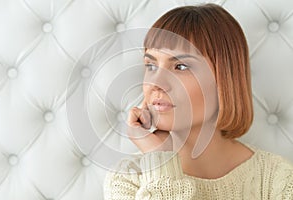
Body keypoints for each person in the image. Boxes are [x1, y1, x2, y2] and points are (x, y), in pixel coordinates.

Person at [103, 4, 293, 199]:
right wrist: (159, 159)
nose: (155, 82)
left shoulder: (277, 180)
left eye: (181, 66)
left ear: (224, 79)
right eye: (151, 65)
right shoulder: (127, 178)